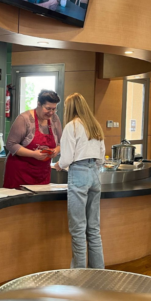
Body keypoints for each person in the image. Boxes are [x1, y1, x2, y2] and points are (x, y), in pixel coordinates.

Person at [54, 93, 107, 269]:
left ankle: (79, 277)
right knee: (93, 229)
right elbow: (101, 157)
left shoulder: (72, 126)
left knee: (78, 230)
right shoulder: (95, 126)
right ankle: (98, 274)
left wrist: (59, 165)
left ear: (70, 108)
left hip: (79, 173)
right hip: (94, 174)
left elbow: (67, 157)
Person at [3, 90, 63, 189]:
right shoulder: (24, 119)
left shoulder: (55, 119)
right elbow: (11, 144)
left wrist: (56, 151)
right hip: (20, 173)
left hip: (42, 173)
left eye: (54, 109)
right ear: (38, 104)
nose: (51, 113)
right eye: (48, 108)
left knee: (39, 204)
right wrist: (33, 154)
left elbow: (61, 143)